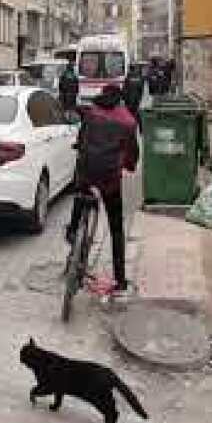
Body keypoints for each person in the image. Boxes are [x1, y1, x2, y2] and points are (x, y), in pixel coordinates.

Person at [66, 84, 140, 294]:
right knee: (116, 228)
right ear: (120, 100)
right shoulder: (128, 121)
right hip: (109, 179)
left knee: (81, 193)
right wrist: (130, 166)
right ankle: (120, 279)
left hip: (87, 173)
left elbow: (81, 139)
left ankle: (72, 232)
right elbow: (132, 154)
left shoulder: (91, 113)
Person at [123, 64, 146, 132]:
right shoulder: (140, 77)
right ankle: (140, 129)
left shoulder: (128, 77)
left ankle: (129, 128)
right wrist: (139, 99)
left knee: (128, 114)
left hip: (129, 99)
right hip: (136, 99)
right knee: (136, 113)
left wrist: (124, 98)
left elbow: (125, 89)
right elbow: (141, 89)